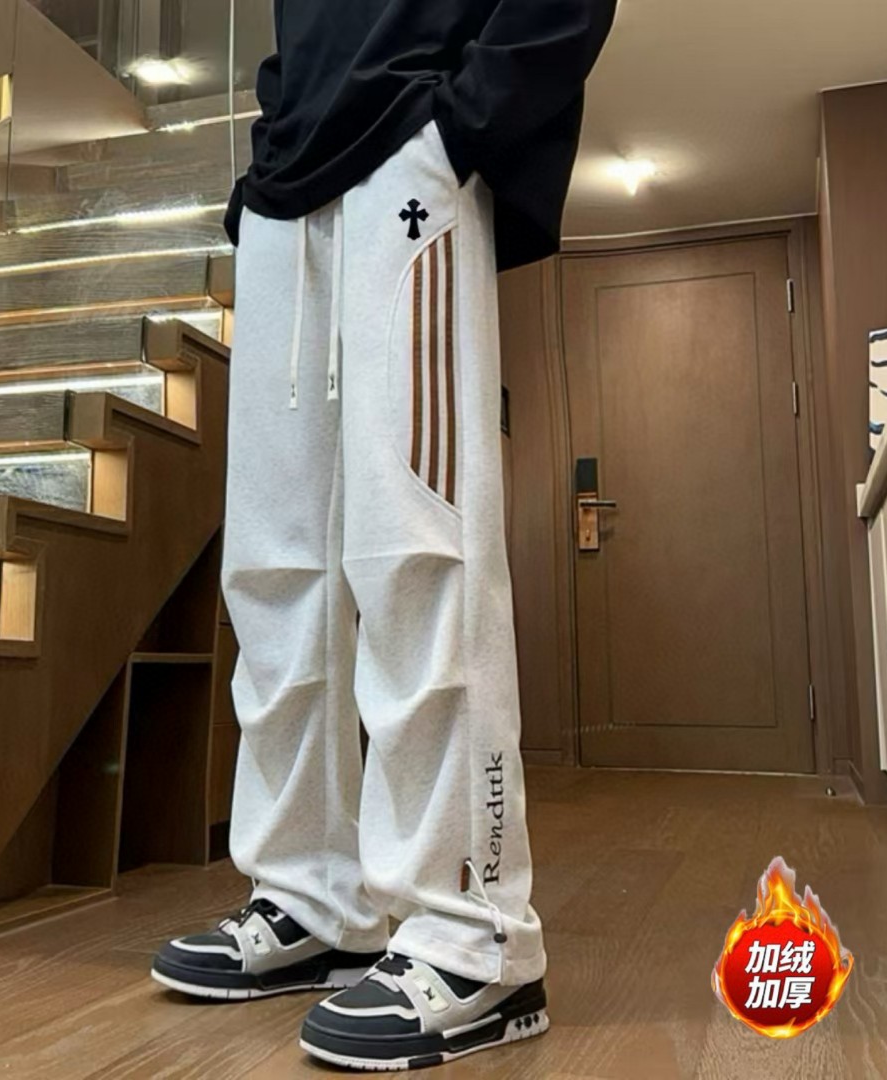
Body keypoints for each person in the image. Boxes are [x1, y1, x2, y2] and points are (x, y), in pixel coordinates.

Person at [153, 0, 617, 1069]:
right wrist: (269, 147)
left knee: (419, 546)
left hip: (413, 138)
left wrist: (463, 123)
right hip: (286, 190)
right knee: (274, 570)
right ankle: (312, 895)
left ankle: (474, 931)